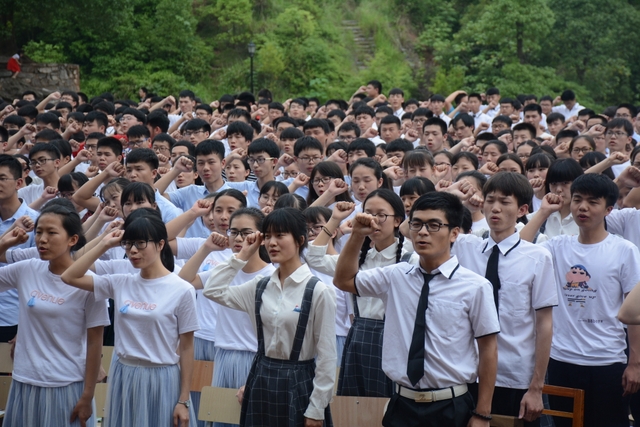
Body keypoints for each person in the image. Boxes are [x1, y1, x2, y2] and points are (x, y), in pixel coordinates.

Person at [333, 192, 500, 426]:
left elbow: (488, 348)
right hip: (402, 403)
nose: (422, 232)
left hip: (450, 405)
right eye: (417, 224)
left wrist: (483, 412)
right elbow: (343, 280)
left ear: (454, 233)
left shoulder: (475, 286)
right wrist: (357, 235)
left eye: (434, 225)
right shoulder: (396, 275)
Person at [520, 174, 640, 427]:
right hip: (562, 360)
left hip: (607, 360)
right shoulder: (557, 246)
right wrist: (543, 212)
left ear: (608, 209)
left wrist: (634, 363)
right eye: (577, 200)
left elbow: (633, 314)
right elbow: (518, 249)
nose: (582, 207)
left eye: (592, 202)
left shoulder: (624, 250)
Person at [61, 208, 199, 427]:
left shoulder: (182, 289)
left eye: (141, 243)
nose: (133, 251)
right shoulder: (121, 282)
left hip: (161, 378)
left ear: (160, 244)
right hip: (124, 374)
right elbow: (69, 276)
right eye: (128, 244)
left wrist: (183, 400)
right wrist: (105, 244)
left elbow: (187, 347)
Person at [203, 208, 336, 427]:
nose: (272, 242)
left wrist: (317, 408)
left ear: (300, 240)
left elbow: (327, 356)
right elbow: (212, 290)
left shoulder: (318, 291)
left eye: (280, 235)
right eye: (267, 236)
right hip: (261, 377)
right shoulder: (260, 286)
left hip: (299, 381)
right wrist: (242, 255)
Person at [451, 172, 557, 426]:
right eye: (490, 200)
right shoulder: (465, 247)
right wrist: (452, 196)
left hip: (513, 374)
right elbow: (409, 229)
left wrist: (536, 387)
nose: (495, 208)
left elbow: (544, 324)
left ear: (522, 210)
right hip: (466, 371)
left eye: (504, 202)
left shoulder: (537, 257)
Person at [0, 201, 109, 427]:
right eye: (39, 232)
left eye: (51, 233)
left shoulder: (89, 283)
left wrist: (87, 395)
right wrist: (5, 243)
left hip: (66, 384)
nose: (42, 239)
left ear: (72, 240)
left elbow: (95, 343)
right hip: (25, 380)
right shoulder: (27, 268)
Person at [307, 189, 411, 397]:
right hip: (359, 337)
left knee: (389, 403)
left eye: (381, 215)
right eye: (368, 214)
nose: (374, 221)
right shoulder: (357, 259)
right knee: (355, 405)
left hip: (395, 338)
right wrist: (335, 219)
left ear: (397, 221)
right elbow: (314, 257)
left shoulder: (410, 260)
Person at [179, 207, 274, 427]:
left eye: (246, 232)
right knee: (221, 421)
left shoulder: (271, 276)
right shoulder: (225, 269)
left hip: (254, 358)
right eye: (234, 232)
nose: (239, 238)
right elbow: (183, 283)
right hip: (223, 355)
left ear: (261, 236)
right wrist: (206, 248)